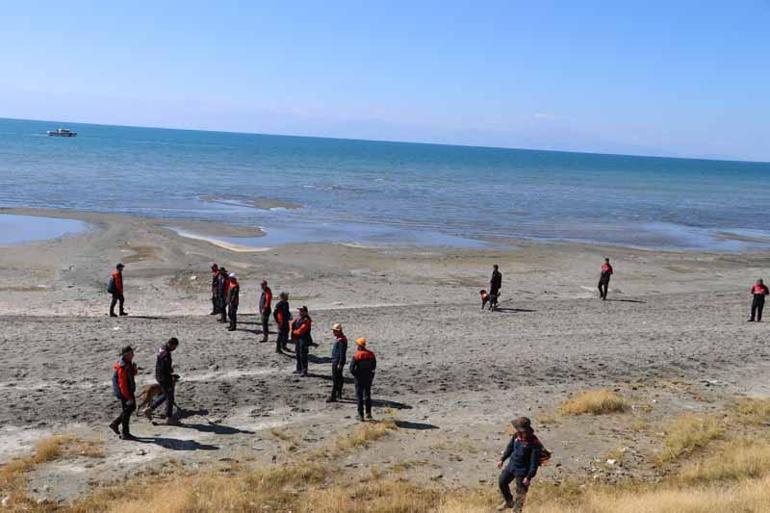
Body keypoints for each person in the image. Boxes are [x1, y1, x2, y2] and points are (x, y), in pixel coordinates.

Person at [496, 417, 543, 512]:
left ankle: (517, 510)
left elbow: (534, 463)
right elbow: (510, 448)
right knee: (502, 482)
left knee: (521, 493)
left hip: (523, 472)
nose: (519, 431)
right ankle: (508, 501)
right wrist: (502, 459)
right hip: (512, 466)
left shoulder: (534, 444)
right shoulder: (516, 436)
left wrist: (529, 477)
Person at [143, 337, 180, 424]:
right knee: (170, 397)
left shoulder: (162, 348)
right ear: (172, 345)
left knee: (166, 394)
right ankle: (169, 418)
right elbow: (166, 368)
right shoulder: (166, 354)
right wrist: (171, 371)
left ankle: (150, 409)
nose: (174, 349)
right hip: (164, 378)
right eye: (174, 347)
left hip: (158, 375)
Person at [110, 345, 138, 440]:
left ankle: (115, 424)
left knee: (130, 408)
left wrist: (134, 369)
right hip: (123, 391)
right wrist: (128, 397)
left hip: (127, 389)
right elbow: (122, 384)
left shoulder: (127, 362)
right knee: (127, 410)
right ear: (126, 355)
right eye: (131, 354)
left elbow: (130, 374)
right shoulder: (122, 366)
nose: (133, 355)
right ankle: (125, 433)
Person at [349, 338, 376, 421]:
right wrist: (371, 374)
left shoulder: (357, 355)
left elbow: (351, 369)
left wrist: (356, 375)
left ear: (359, 346)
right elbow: (374, 366)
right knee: (367, 395)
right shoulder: (371, 354)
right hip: (368, 377)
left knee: (359, 396)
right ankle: (368, 413)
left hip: (359, 378)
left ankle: (361, 415)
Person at [327, 323, 348, 402]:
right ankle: (338, 393)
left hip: (337, 361)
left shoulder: (341, 340)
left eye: (335, 331)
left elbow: (342, 353)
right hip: (337, 360)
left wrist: (340, 363)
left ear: (339, 331)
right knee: (339, 377)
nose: (333, 332)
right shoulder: (341, 338)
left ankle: (333, 396)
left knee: (336, 378)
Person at [292, 306, 314, 376]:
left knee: (303, 355)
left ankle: (304, 370)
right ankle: (299, 369)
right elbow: (292, 324)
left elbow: (302, 330)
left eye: (302, 311)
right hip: (298, 339)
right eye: (300, 311)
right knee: (298, 354)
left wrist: (294, 332)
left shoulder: (306, 319)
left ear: (305, 312)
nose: (300, 312)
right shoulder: (299, 318)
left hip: (304, 339)